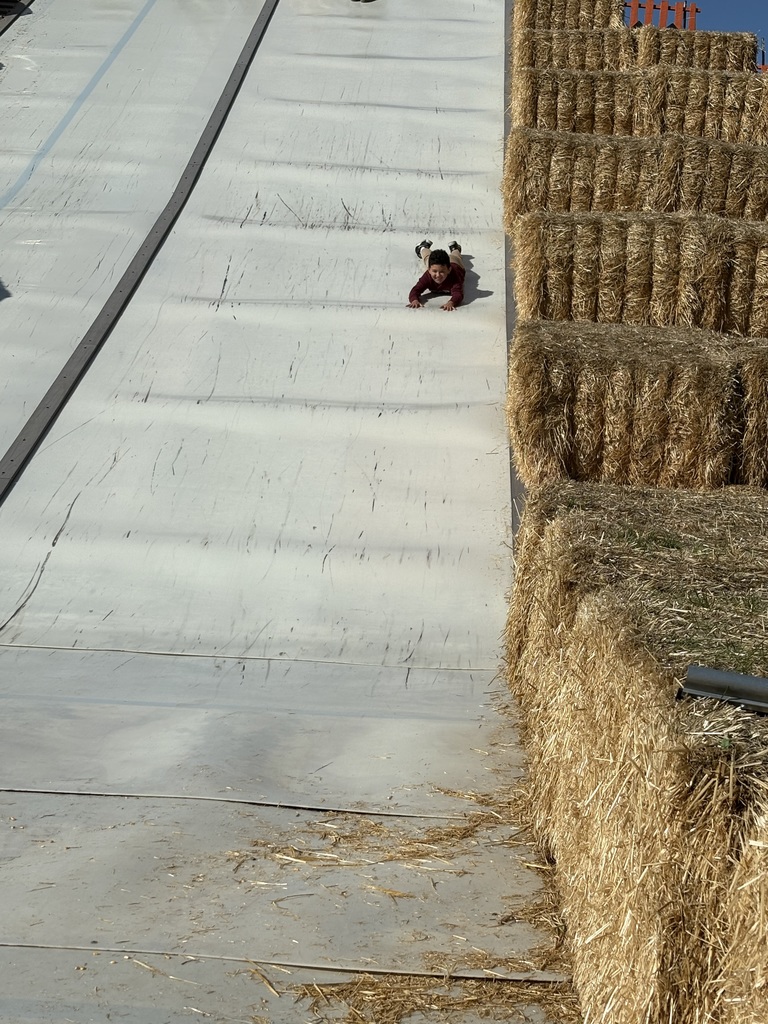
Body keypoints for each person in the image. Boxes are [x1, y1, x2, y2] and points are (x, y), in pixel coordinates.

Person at [408, 239, 465, 311]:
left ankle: (455, 248)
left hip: (455, 264)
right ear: (429, 270)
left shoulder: (454, 277)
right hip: (438, 265)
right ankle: (423, 248)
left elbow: (458, 294)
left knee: (455, 256)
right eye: (434, 271)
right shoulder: (428, 276)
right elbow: (415, 290)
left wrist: (451, 302)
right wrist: (414, 300)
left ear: (449, 270)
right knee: (427, 258)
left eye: (442, 272)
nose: (438, 275)